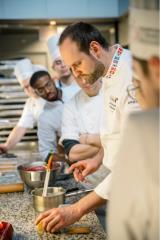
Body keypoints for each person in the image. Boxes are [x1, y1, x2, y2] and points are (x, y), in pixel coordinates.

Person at [35, 22, 139, 233]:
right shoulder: (110, 69)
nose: (76, 73)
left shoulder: (132, 79)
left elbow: (136, 162)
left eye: (77, 64)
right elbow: (118, 133)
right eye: (71, 67)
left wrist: (77, 210)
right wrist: (98, 158)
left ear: (95, 49)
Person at [108, 1, 159, 239]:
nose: (136, 95)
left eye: (136, 84)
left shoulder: (146, 131)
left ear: (156, 69)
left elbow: (124, 232)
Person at [59, 77, 108, 188]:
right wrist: (111, 142)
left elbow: (128, 137)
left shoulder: (115, 93)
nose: (85, 81)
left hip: (119, 176)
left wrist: (87, 139)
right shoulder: (71, 105)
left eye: (88, 74)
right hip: (88, 181)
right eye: (79, 76)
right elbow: (72, 153)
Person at [0, 59, 46, 153]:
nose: (30, 89)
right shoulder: (31, 103)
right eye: (26, 87)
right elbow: (21, 127)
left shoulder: (52, 94)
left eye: (31, 84)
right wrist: (6, 146)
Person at [30, 70, 65, 160]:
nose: (47, 91)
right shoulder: (44, 118)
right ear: (36, 93)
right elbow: (46, 151)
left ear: (53, 81)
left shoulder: (75, 93)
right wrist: (68, 159)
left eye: (48, 85)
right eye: (41, 90)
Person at [47, 34, 80, 101]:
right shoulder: (52, 90)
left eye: (66, 61)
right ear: (53, 67)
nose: (63, 65)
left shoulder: (83, 84)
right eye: (58, 62)